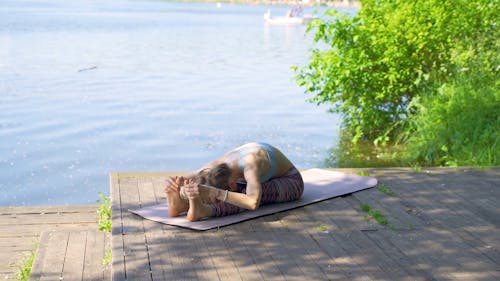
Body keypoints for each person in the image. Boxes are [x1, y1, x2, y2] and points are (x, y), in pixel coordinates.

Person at [165, 142, 304, 221]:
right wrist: (178, 182)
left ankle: (206, 210)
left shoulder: (251, 165)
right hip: (259, 179)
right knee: (231, 191)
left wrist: (215, 193)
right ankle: (181, 205)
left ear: (231, 185)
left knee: (242, 196)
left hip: (291, 181)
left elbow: (253, 202)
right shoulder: (221, 165)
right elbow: (200, 174)